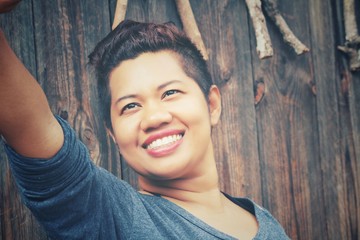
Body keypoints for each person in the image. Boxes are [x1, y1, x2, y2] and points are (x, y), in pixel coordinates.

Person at [0, 1, 290, 239]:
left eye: (170, 92)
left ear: (212, 104)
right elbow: (34, 130)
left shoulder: (268, 225)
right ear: (112, 134)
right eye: (130, 106)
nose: (153, 118)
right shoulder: (111, 219)